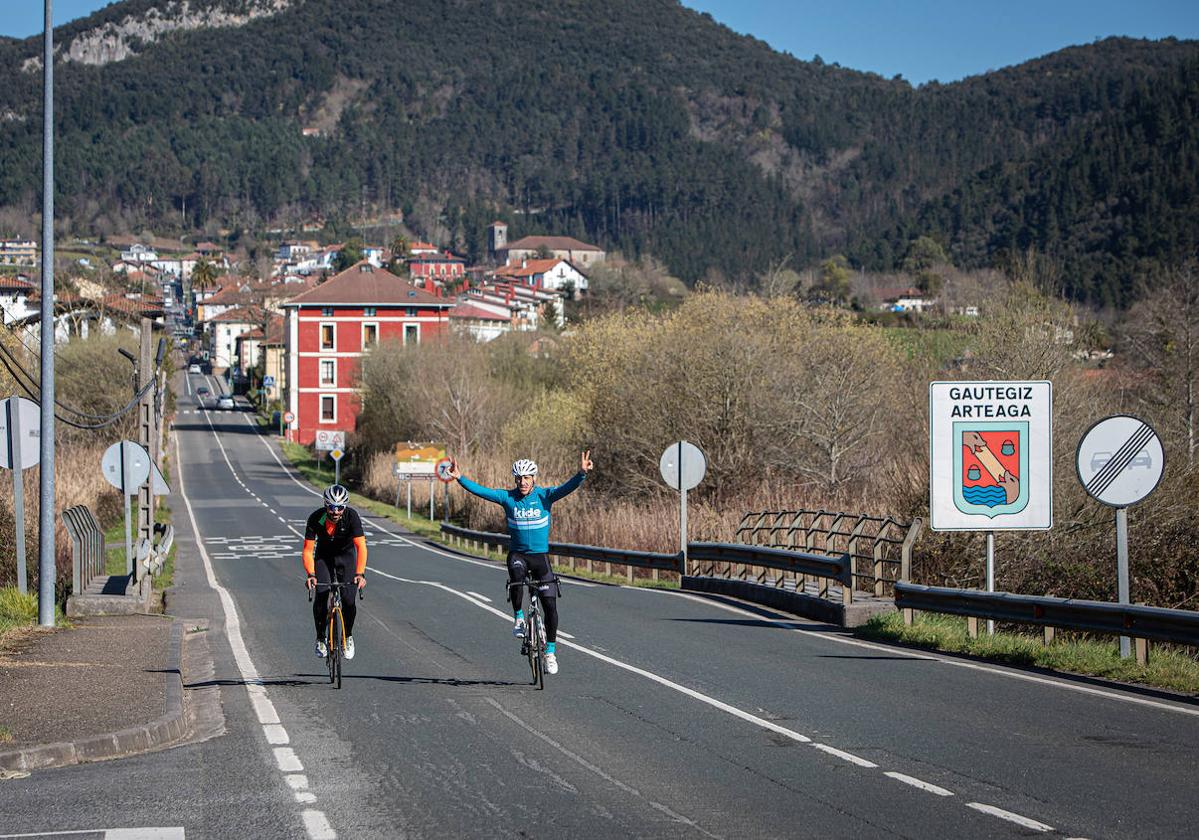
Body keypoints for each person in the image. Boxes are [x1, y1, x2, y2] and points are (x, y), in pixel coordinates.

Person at [448, 452, 593, 675]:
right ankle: (518, 618)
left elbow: (566, 488)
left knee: (550, 606)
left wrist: (581, 474)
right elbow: (482, 491)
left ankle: (551, 653)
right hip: (518, 556)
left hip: (540, 558)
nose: (523, 482)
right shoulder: (508, 498)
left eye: (527, 478)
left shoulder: (545, 496)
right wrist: (460, 478)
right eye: (519, 478)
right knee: (516, 580)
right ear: (515, 479)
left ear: (534, 478)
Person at [303, 484, 367, 660]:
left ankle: (348, 636)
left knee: (348, 600)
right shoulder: (316, 518)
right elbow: (308, 550)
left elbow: (361, 546)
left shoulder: (351, 516)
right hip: (324, 558)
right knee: (322, 594)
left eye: (340, 507)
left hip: (346, 558)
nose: (336, 511)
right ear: (326, 505)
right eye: (332, 507)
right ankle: (321, 638)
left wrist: (360, 574)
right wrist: (311, 574)